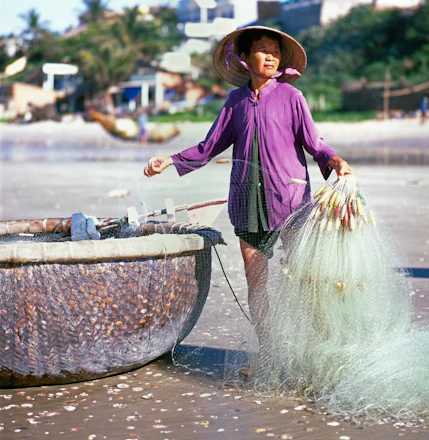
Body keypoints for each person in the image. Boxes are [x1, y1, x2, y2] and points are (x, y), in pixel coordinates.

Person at [143, 26, 353, 355]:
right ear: (244, 58)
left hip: (291, 200)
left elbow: (315, 144)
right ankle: (269, 350)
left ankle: (319, 347)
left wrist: (337, 161)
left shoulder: (291, 97)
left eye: (275, 51)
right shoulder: (235, 101)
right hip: (247, 202)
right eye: (263, 49)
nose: (270, 56)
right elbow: (208, 147)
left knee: (304, 277)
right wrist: (169, 161)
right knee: (256, 282)